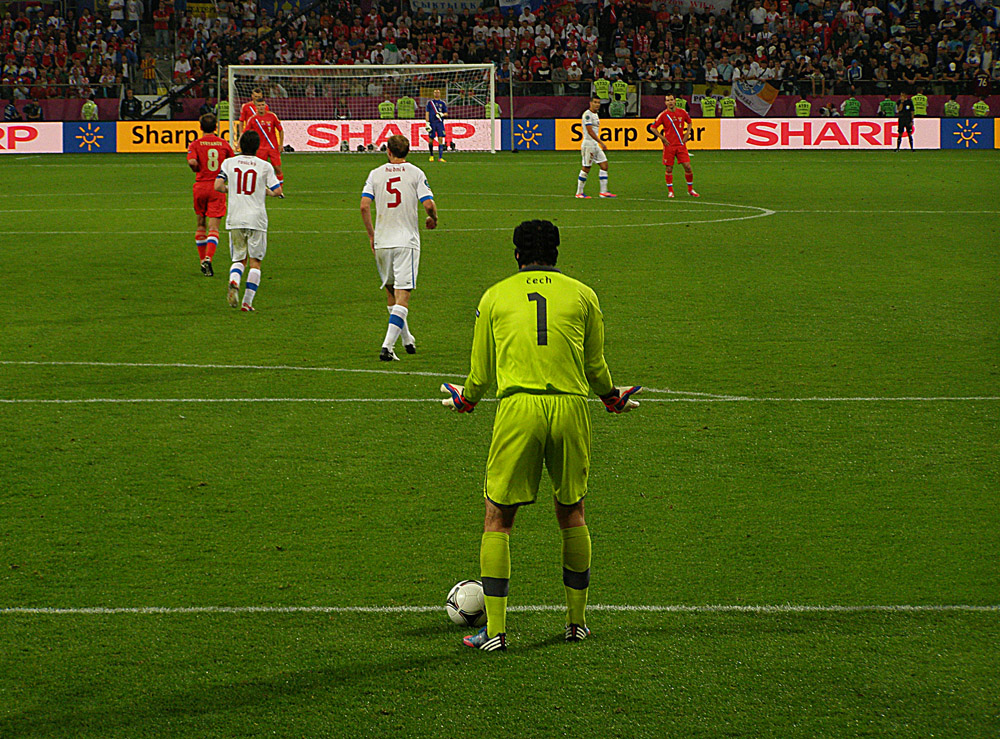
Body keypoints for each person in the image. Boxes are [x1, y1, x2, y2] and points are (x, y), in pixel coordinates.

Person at [440, 219, 641, 652]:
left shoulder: (494, 296)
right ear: (556, 254)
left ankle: (494, 633)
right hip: (570, 409)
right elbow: (596, 366)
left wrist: (466, 399)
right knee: (572, 511)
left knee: (498, 517)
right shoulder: (583, 294)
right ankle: (576, 623)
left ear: (516, 255)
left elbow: (480, 373)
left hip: (518, 411)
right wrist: (611, 397)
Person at [360, 134, 437, 362]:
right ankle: (387, 346)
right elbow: (429, 204)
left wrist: (372, 235)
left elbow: (364, 206)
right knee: (404, 295)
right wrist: (433, 218)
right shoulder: (416, 173)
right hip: (406, 241)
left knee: (391, 292)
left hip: (382, 241)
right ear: (409, 151)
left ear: (388, 151)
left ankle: (407, 340)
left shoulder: (376, 173)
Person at [215, 129, 284, 312]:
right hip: (256, 219)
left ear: (240, 145)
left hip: (235, 217)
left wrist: (234, 189)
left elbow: (218, 186)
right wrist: (266, 191)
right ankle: (247, 303)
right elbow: (277, 190)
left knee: (239, 259)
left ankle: (234, 281)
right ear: (258, 147)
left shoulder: (229, 162)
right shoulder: (264, 166)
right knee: (255, 262)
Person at [187, 112, 235, 276]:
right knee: (214, 228)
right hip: (217, 187)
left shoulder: (195, 144)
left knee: (201, 224)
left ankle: (201, 261)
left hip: (200, 187)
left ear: (200, 127)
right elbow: (232, 162)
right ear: (216, 127)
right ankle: (208, 258)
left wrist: (196, 168)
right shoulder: (223, 144)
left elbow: (192, 161)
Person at [648, 94, 699, 199]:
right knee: (669, 168)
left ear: (675, 101)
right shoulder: (663, 115)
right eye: (668, 100)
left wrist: (687, 133)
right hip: (669, 146)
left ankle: (690, 190)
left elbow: (689, 122)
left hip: (681, 145)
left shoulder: (682, 112)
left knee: (688, 166)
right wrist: (662, 138)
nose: (670, 102)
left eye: (671, 100)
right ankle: (670, 191)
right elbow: (653, 128)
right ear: (665, 103)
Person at [576, 95, 616, 199]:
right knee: (586, 168)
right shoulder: (587, 115)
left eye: (598, 103)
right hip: (589, 144)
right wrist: (601, 142)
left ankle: (603, 192)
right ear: (590, 103)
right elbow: (590, 131)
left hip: (594, 145)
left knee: (604, 165)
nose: (597, 104)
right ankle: (579, 193)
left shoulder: (596, 114)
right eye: (595, 102)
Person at [244, 101, 284, 184]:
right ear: (256, 107)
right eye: (259, 105)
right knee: (260, 170)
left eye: (262, 105)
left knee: (278, 168)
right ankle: (260, 187)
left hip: (272, 147)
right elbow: (246, 133)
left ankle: (280, 189)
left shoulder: (272, 116)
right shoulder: (252, 119)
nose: (261, 107)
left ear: (265, 106)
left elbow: (280, 130)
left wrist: (281, 144)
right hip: (260, 148)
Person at [425, 88, 448, 162]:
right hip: (432, 123)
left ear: (440, 94)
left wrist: (442, 114)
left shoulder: (443, 103)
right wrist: (427, 122)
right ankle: (431, 155)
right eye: (435, 92)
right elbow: (427, 112)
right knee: (431, 139)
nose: (437, 94)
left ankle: (440, 157)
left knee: (440, 139)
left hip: (439, 123)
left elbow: (446, 113)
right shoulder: (430, 103)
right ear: (433, 94)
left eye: (438, 92)